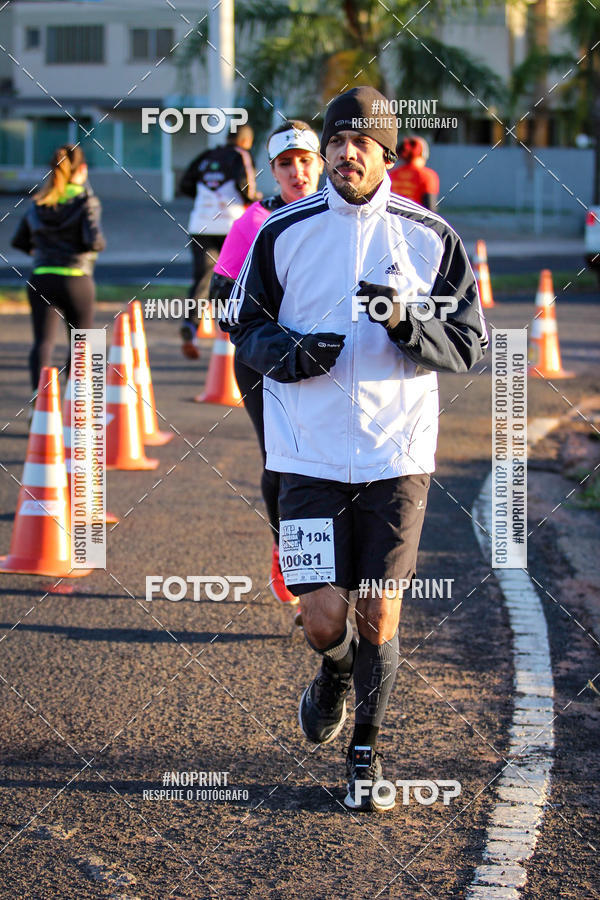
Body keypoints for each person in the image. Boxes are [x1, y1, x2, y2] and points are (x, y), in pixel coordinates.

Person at [226, 86, 488, 812]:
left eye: (360, 143)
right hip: (305, 453)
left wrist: (409, 326)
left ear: (386, 155)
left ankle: (365, 752)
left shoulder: (429, 236)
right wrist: (290, 353)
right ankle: (334, 674)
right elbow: (241, 324)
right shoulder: (284, 232)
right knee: (323, 620)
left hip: (395, 457)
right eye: (336, 140)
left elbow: (469, 345)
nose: (344, 153)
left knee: (379, 615)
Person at [211, 121, 323, 616]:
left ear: (321, 164)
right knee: (284, 462)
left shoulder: (341, 221)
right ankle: (292, 560)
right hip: (265, 364)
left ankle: (334, 573)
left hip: (331, 363)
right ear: (272, 171)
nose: (297, 172)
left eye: (306, 161)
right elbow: (222, 305)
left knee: (333, 466)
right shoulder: (251, 223)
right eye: (286, 164)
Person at [11, 144, 105, 392]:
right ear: (83, 169)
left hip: (41, 277)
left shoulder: (40, 200)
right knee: (82, 345)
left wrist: (44, 251)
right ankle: (75, 405)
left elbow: (19, 241)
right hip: (76, 279)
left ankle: (39, 406)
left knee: (42, 343)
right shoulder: (86, 201)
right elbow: (94, 241)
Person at [179, 124, 262, 358]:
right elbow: (246, 187)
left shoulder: (206, 156)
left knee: (203, 279)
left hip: (200, 225)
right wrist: (256, 198)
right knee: (237, 278)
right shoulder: (241, 156)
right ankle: (231, 329)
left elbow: (185, 184)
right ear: (246, 141)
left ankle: (190, 326)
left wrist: (206, 197)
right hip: (230, 225)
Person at [390, 135, 439, 211]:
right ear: (423, 155)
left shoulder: (392, 174)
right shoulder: (428, 176)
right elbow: (430, 209)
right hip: (415, 221)